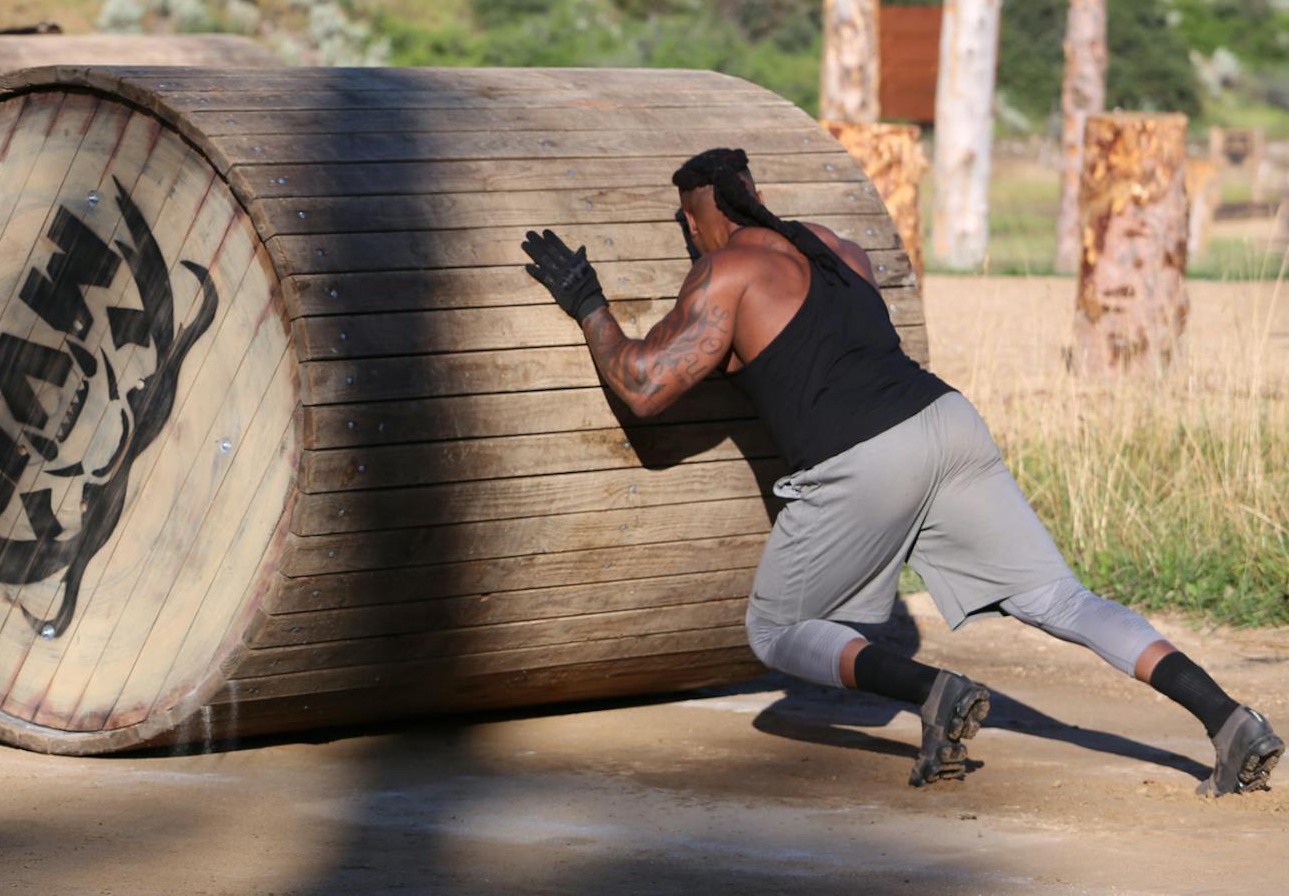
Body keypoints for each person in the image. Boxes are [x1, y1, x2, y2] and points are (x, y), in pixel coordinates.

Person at [520, 146, 1280, 795]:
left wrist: (587, 302)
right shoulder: (834, 247)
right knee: (1058, 598)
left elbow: (644, 387)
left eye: (688, 226)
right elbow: (827, 346)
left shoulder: (725, 270)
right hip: (947, 423)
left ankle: (932, 691)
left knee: (775, 629)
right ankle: (1227, 719)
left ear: (696, 219)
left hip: (866, 456)